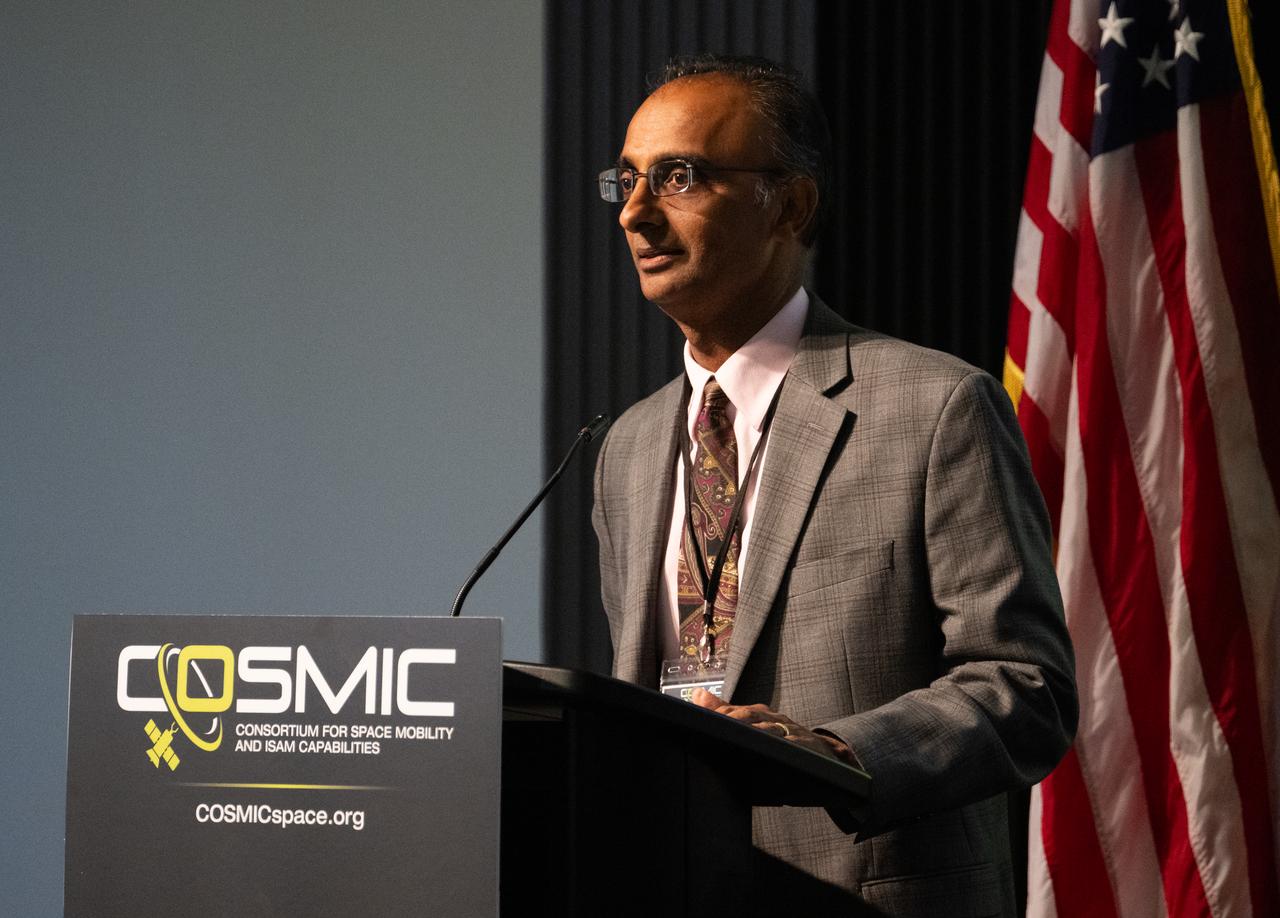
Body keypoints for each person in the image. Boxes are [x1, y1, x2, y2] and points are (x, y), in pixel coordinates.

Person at [590, 54, 1077, 916]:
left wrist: (836, 754)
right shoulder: (625, 447)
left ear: (791, 205)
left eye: (679, 177)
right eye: (627, 180)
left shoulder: (936, 407)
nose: (635, 213)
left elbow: (1025, 686)